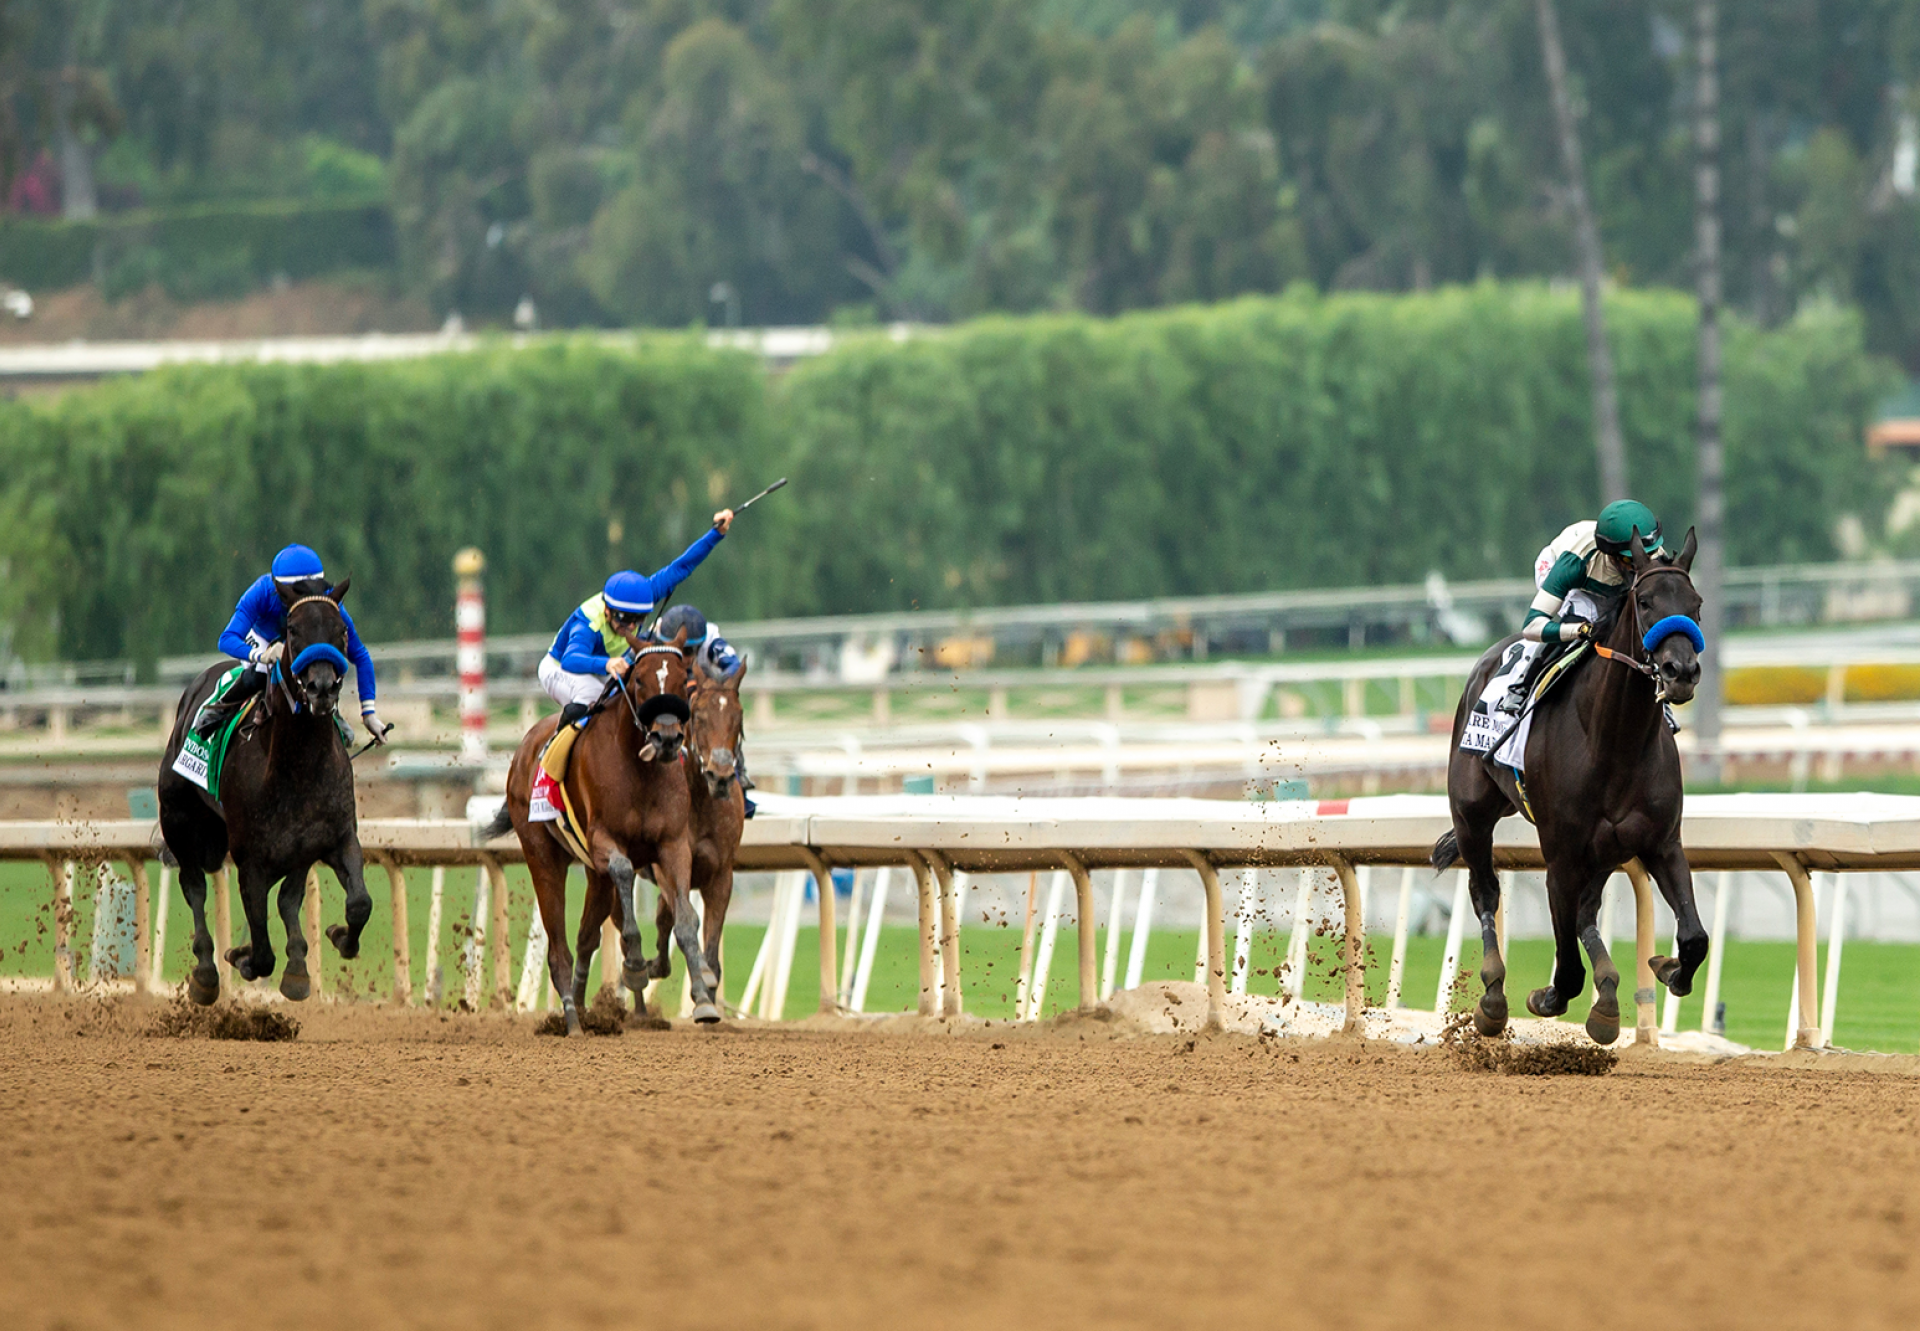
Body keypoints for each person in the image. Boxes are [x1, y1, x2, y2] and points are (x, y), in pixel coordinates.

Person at [537, 508, 735, 726]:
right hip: (559, 669)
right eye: (624, 618)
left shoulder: (645, 594)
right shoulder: (589, 623)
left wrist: (716, 533)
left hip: (601, 668)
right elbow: (570, 660)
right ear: (607, 610)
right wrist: (608, 663)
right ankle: (555, 752)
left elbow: (682, 566)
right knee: (594, 697)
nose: (631, 626)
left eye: (639, 619)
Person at [191, 543, 384, 742]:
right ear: (279, 589)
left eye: (311, 590)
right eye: (296, 592)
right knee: (261, 672)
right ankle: (222, 708)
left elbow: (360, 655)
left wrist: (369, 714)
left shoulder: (327, 600)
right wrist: (262, 655)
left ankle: (331, 712)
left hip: (300, 639)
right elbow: (227, 639)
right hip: (263, 639)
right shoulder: (262, 591)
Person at [1496, 498, 1666, 715]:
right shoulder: (1574, 562)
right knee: (1583, 614)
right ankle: (1522, 686)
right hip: (1567, 573)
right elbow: (1531, 627)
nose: (1640, 565)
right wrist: (1578, 630)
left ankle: (1661, 700)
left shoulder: (1654, 554)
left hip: (1610, 583)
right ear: (1611, 554)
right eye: (1630, 560)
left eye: (1648, 555)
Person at [652, 603, 755, 812]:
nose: (686, 657)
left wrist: (713, 686)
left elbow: (733, 666)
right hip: (663, 694)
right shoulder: (652, 639)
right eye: (680, 650)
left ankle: (738, 778)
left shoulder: (712, 640)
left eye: (690, 650)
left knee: (723, 715)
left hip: (702, 692)